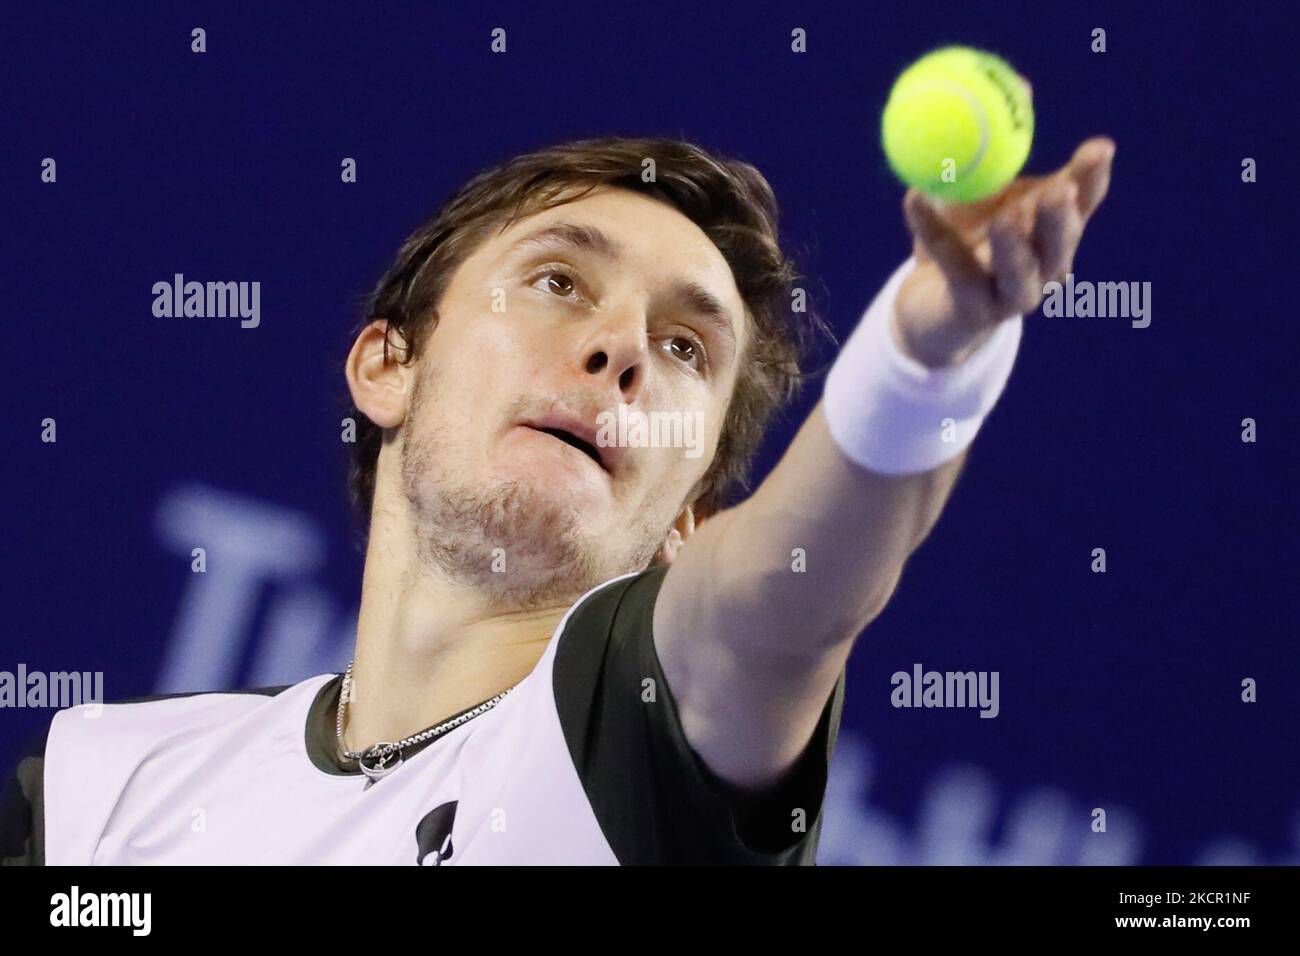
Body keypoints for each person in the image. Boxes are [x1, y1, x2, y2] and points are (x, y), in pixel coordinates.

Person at [1, 134, 1113, 865]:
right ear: (388, 364)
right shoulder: (99, 796)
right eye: (556, 280)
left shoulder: (628, 751)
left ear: (688, 517)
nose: (620, 345)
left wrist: (926, 361)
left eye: (685, 345)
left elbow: (782, 604)